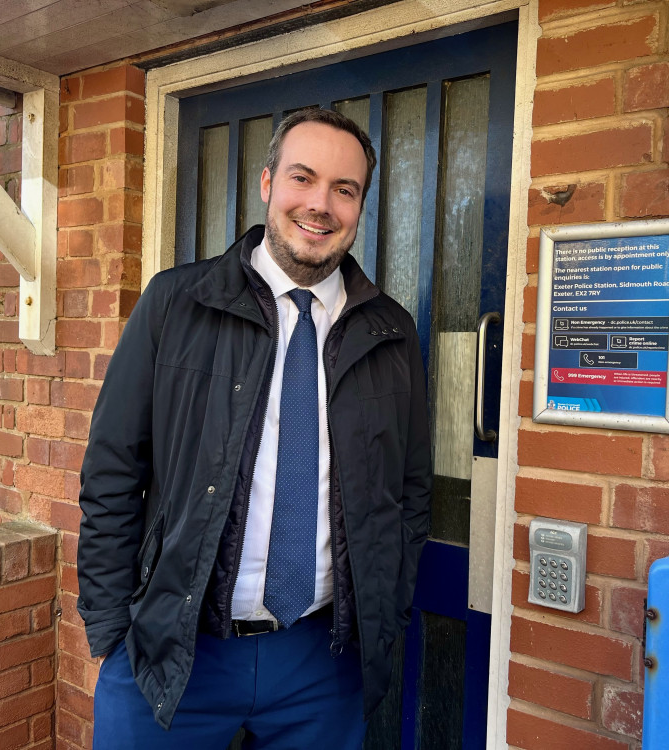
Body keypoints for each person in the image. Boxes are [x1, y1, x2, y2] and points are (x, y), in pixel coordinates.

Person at [77, 108, 432, 749]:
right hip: (174, 651)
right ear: (268, 183)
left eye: (344, 189)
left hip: (322, 662)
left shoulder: (391, 331)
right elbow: (112, 470)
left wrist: (387, 613)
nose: (320, 204)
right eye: (303, 178)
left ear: (360, 206)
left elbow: (408, 492)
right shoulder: (175, 304)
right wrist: (110, 629)